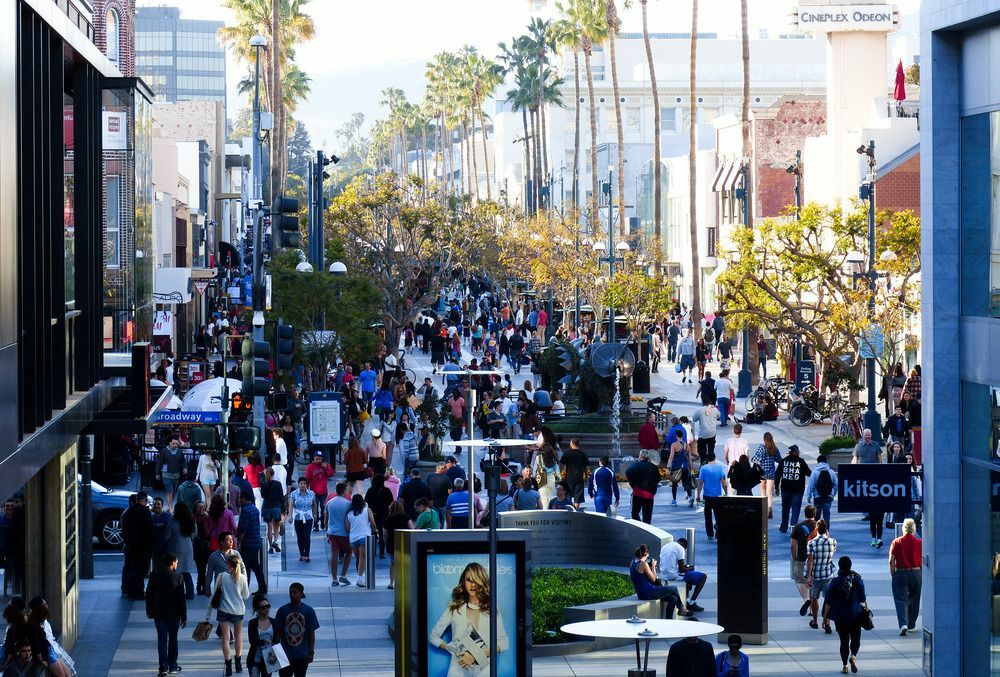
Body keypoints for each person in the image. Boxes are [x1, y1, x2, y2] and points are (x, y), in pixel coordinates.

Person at [429, 562, 509, 673]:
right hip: (458, 668)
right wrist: (453, 649)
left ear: (482, 581)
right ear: (463, 581)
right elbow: (433, 636)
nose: (473, 585)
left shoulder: (491, 608)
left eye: (476, 580)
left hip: (484, 669)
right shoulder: (454, 608)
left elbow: (503, 643)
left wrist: (475, 656)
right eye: (469, 580)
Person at [823, 556, 867, 674]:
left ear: (840, 566)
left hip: (840, 617)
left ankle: (845, 666)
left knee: (843, 641)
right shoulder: (857, 580)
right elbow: (863, 598)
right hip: (855, 615)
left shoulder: (834, 582)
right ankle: (853, 656)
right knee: (856, 639)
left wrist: (825, 618)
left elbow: (828, 602)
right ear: (850, 566)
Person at [146, 553, 187, 677]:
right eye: (176, 562)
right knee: (173, 640)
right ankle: (173, 665)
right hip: (174, 614)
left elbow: (149, 594)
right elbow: (181, 599)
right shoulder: (178, 577)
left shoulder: (154, 576)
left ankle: (163, 667)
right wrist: (184, 616)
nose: (177, 564)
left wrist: (149, 610)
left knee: (162, 641)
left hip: (159, 614)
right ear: (172, 562)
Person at [212, 553, 251, 676]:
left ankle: (228, 665)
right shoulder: (243, 577)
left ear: (228, 564)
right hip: (238, 610)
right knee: (238, 636)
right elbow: (246, 595)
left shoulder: (221, 576)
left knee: (226, 638)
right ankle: (238, 663)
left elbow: (215, 593)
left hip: (223, 609)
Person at [628, 544, 692, 619]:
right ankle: (681, 609)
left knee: (673, 599)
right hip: (648, 592)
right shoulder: (643, 564)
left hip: (641, 593)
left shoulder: (632, 562)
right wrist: (653, 567)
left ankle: (668, 620)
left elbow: (639, 577)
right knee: (674, 588)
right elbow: (654, 579)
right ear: (645, 553)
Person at [274, 582, 319, 676]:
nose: (292, 594)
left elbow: (311, 633)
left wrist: (311, 652)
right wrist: (276, 653)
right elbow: (277, 633)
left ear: (301, 594)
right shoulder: (282, 611)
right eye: (290, 592)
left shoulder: (309, 611)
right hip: (285, 656)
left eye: (295, 592)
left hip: (302, 655)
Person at [889, 517, 922, 635]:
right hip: (916, 572)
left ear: (903, 528)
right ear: (914, 529)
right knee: (915, 599)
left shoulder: (896, 542)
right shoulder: (920, 542)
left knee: (900, 599)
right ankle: (912, 624)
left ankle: (903, 624)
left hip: (901, 572)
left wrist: (893, 573)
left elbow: (891, 560)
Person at [659, 537, 707, 612]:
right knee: (703, 576)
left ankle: (687, 600)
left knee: (688, 575)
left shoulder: (665, 546)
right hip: (673, 576)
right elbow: (682, 569)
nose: (684, 550)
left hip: (664, 574)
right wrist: (691, 568)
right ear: (683, 545)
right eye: (685, 548)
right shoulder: (680, 548)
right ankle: (692, 602)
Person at [806, 520, 837, 632]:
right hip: (828, 574)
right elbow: (833, 553)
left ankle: (815, 621)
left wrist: (808, 576)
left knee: (814, 598)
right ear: (826, 530)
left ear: (816, 530)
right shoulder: (832, 541)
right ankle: (827, 622)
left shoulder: (811, 543)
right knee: (828, 599)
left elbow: (810, 561)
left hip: (815, 575)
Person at [122, 492, 154, 599]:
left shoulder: (128, 512)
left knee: (132, 568)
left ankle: (131, 591)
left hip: (131, 546)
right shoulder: (146, 512)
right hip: (143, 547)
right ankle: (139, 591)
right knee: (141, 570)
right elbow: (150, 530)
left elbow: (125, 529)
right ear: (144, 500)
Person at [774, 444, 811, 533]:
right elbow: (809, 473)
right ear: (797, 452)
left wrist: (776, 487)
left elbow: (777, 475)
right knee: (795, 509)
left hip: (785, 490)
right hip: (797, 491)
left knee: (785, 509)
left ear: (790, 452)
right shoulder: (801, 461)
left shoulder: (783, 461)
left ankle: (783, 526)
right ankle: (793, 528)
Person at [791, 505, 819, 618]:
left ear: (804, 514)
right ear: (815, 514)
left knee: (799, 580)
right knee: (812, 581)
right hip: (816, 559)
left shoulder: (798, 527)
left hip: (801, 558)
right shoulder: (820, 526)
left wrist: (794, 559)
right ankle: (813, 609)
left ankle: (806, 600)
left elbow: (793, 546)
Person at [166, 501, 197, 599]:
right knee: (186, 572)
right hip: (188, 548)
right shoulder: (190, 521)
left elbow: (167, 535)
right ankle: (190, 593)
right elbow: (194, 534)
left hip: (175, 548)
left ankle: (178, 593)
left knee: (176, 572)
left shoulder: (173, 522)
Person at [344, 494, 376, 588]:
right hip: (364, 536)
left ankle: (360, 576)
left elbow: (347, 528)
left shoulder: (349, 514)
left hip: (353, 538)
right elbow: (373, 523)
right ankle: (359, 579)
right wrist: (375, 530)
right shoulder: (367, 510)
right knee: (363, 558)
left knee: (358, 558)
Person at [325, 483, 353, 586]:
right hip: (344, 533)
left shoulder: (329, 503)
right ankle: (343, 575)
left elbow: (326, 517)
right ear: (344, 491)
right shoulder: (348, 504)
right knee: (349, 552)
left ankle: (334, 579)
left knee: (334, 554)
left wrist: (326, 529)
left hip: (332, 532)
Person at [697, 452, 728, 540]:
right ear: (714, 458)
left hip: (706, 495)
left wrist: (698, 495)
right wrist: (726, 492)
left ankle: (709, 534)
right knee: (718, 515)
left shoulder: (703, 468)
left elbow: (700, 483)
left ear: (707, 459)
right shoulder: (719, 468)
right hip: (717, 495)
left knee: (707, 515)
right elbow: (723, 482)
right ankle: (718, 531)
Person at [247, 595, 279, 677]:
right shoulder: (253, 623)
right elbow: (252, 641)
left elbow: (277, 641)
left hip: (269, 658)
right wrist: (263, 642)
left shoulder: (274, 622)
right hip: (255, 659)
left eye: (268, 606)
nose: (266, 609)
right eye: (263, 607)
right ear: (257, 609)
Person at [625, 449, 660, 524]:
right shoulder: (653, 467)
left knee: (635, 512)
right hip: (649, 494)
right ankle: (646, 528)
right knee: (647, 515)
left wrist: (633, 483)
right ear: (648, 457)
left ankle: (640, 526)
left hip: (638, 492)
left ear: (640, 456)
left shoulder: (635, 465)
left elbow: (627, 472)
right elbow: (658, 479)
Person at [751, 432, 781, 518]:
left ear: (764, 439)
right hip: (771, 473)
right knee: (769, 492)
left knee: (763, 490)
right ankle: (769, 508)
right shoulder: (774, 449)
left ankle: (763, 508)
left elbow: (755, 459)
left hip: (762, 473)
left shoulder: (762, 448)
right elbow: (779, 460)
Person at [287, 478, 316, 562]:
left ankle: (307, 554)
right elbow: (291, 505)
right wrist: (290, 516)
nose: (302, 485)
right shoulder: (294, 494)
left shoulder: (311, 493)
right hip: (298, 517)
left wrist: (315, 514)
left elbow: (314, 504)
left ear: (306, 485)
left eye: (304, 483)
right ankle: (301, 554)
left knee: (306, 536)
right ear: (299, 484)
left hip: (308, 517)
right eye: (301, 483)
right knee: (300, 536)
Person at [260, 467, 287, 554]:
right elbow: (281, 496)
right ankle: (275, 541)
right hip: (276, 507)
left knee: (269, 527)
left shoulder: (264, 484)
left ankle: (270, 546)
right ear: (273, 474)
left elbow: (263, 496)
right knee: (276, 525)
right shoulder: (278, 484)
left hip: (267, 507)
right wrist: (284, 508)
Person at [806, 455, 838, 527]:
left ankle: (816, 532)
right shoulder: (831, 472)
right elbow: (836, 484)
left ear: (818, 462)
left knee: (816, 516)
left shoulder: (815, 472)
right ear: (826, 462)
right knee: (826, 515)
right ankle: (826, 532)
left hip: (818, 496)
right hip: (828, 496)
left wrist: (809, 496)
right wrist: (833, 494)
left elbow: (811, 485)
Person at [156, 436, 187, 511]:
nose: (175, 445)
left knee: (173, 491)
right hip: (166, 474)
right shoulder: (164, 451)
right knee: (170, 490)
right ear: (169, 443)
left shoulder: (179, 452)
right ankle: (171, 507)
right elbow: (159, 462)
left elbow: (183, 461)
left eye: (176, 443)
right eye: (173, 443)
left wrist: (185, 468)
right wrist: (157, 473)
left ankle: (170, 504)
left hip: (176, 475)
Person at [666, 434, 696, 508]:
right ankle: (690, 497)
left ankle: (674, 500)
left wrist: (668, 467)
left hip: (676, 467)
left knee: (674, 484)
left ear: (676, 436)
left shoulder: (674, 445)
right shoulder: (687, 446)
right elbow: (689, 459)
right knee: (687, 483)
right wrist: (691, 469)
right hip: (685, 467)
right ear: (682, 436)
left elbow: (671, 457)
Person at [557, 438, 588, 510]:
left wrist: (559, 474)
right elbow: (585, 467)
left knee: (568, 496)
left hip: (569, 479)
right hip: (579, 479)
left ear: (572, 444)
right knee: (577, 498)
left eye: (570, 443)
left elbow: (561, 465)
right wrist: (586, 476)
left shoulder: (567, 453)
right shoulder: (582, 454)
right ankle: (576, 511)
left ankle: (570, 511)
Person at [305, 454, 333, 531]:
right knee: (315, 509)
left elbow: (331, 474)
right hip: (314, 492)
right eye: (317, 459)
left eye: (319, 459)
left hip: (323, 492)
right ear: (314, 458)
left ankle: (323, 523)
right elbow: (307, 479)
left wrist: (326, 467)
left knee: (324, 508)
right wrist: (306, 491)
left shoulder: (325, 465)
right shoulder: (310, 467)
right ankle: (315, 525)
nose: (318, 461)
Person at [691, 401, 719, 466]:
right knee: (711, 448)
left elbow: (694, 419)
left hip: (703, 434)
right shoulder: (714, 409)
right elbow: (718, 415)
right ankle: (711, 461)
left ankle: (703, 461)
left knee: (701, 449)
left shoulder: (700, 410)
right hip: (712, 433)